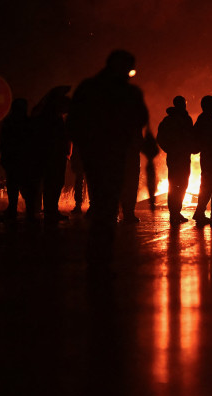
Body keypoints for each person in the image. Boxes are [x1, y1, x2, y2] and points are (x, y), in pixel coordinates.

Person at [67, 50, 149, 261]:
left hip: (110, 154)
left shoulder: (90, 88)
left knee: (106, 201)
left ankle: (102, 253)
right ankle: (101, 254)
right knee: (106, 201)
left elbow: (140, 122)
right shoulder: (119, 92)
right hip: (106, 154)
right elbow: (75, 123)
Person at [32, 86, 71, 223]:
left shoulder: (50, 116)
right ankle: (50, 211)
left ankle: (51, 210)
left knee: (54, 183)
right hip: (53, 155)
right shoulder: (51, 118)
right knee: (53, 183)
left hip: (55, 154)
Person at [156, 95, 194, 224]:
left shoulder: (184, 119)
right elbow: (161, 137)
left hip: (182, 157)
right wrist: (171, 149)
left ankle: (176, 212)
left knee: (182, 185)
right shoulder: (171, 120)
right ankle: (174, 213)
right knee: (176, 185)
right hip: (177, 157)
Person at [0, 99, 32, 220]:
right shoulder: (27, 122)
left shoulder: (9, 122)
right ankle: (29, 210)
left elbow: (4, 141)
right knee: (24, 186)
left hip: (13, 158)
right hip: (22, 159)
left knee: (14, 185)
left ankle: (13, 209)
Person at [192, 95, 212, 225]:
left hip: (209, 157)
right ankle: (199, 212)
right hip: (210, 158)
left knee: (207, 186)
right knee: (207, 186)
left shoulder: (204, 120)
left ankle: (200, 212)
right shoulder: (205, 121)